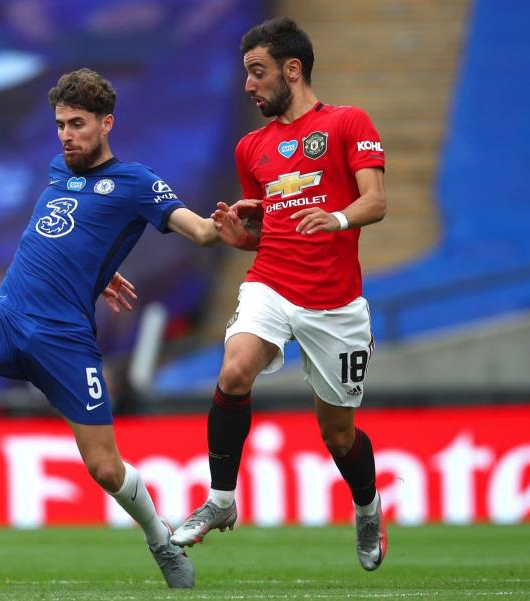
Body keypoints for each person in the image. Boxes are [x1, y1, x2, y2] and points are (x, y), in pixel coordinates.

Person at [0, 68, 224, 589]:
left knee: (105, 470)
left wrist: (219, 228)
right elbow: (70, 234)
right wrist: (95, 268)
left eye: (77, 124)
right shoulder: (58, 170)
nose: (66, 135)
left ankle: (158, 536)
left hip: (65, 341)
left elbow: (199, 229)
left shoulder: (136, 181)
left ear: (106, 123)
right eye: (59, 125)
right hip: (8, 313)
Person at [170, 17, 389, 572]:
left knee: (337, 433)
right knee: (234, 371)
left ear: (292, 70)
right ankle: (221, 500)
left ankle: (367, 507)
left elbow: (376, 201)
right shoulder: (251, 149)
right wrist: (243, 239)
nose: (249, 85)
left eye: (257, 72)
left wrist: (336, 217)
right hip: (272, 282)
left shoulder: (347, 122)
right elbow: (270, 229)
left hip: (336, 303)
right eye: (247, 74)